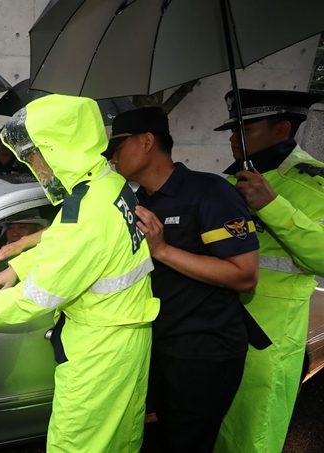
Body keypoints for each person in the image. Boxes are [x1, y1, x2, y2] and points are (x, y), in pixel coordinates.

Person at [0, 94, 160, 452]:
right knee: (119, 440)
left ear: (59, 148)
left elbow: (34, 299)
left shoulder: (86, 214)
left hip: (98, 352)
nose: (34, 165)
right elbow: (65, 243)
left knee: (75, 444)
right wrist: (19, 265)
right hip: (125, 337)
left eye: (34, 154)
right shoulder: (107, 186)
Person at [104, 107, 261, 453]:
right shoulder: (137, 201)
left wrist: (163, 251)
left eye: (117, 149)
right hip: (159, 347)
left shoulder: (210, 192)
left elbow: (245, 274)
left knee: (187, 444)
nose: (112, 159)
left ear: (146, 142)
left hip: (204, 352)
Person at [212, 89, 324, 453]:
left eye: (245, 127)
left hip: (270, 333)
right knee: (216, 427)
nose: (233, 137)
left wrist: (274, 206)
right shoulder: (232, 182)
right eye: (232, 128)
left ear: (282, 130)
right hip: (219, 321)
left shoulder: (313, 182)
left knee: (252, 433)